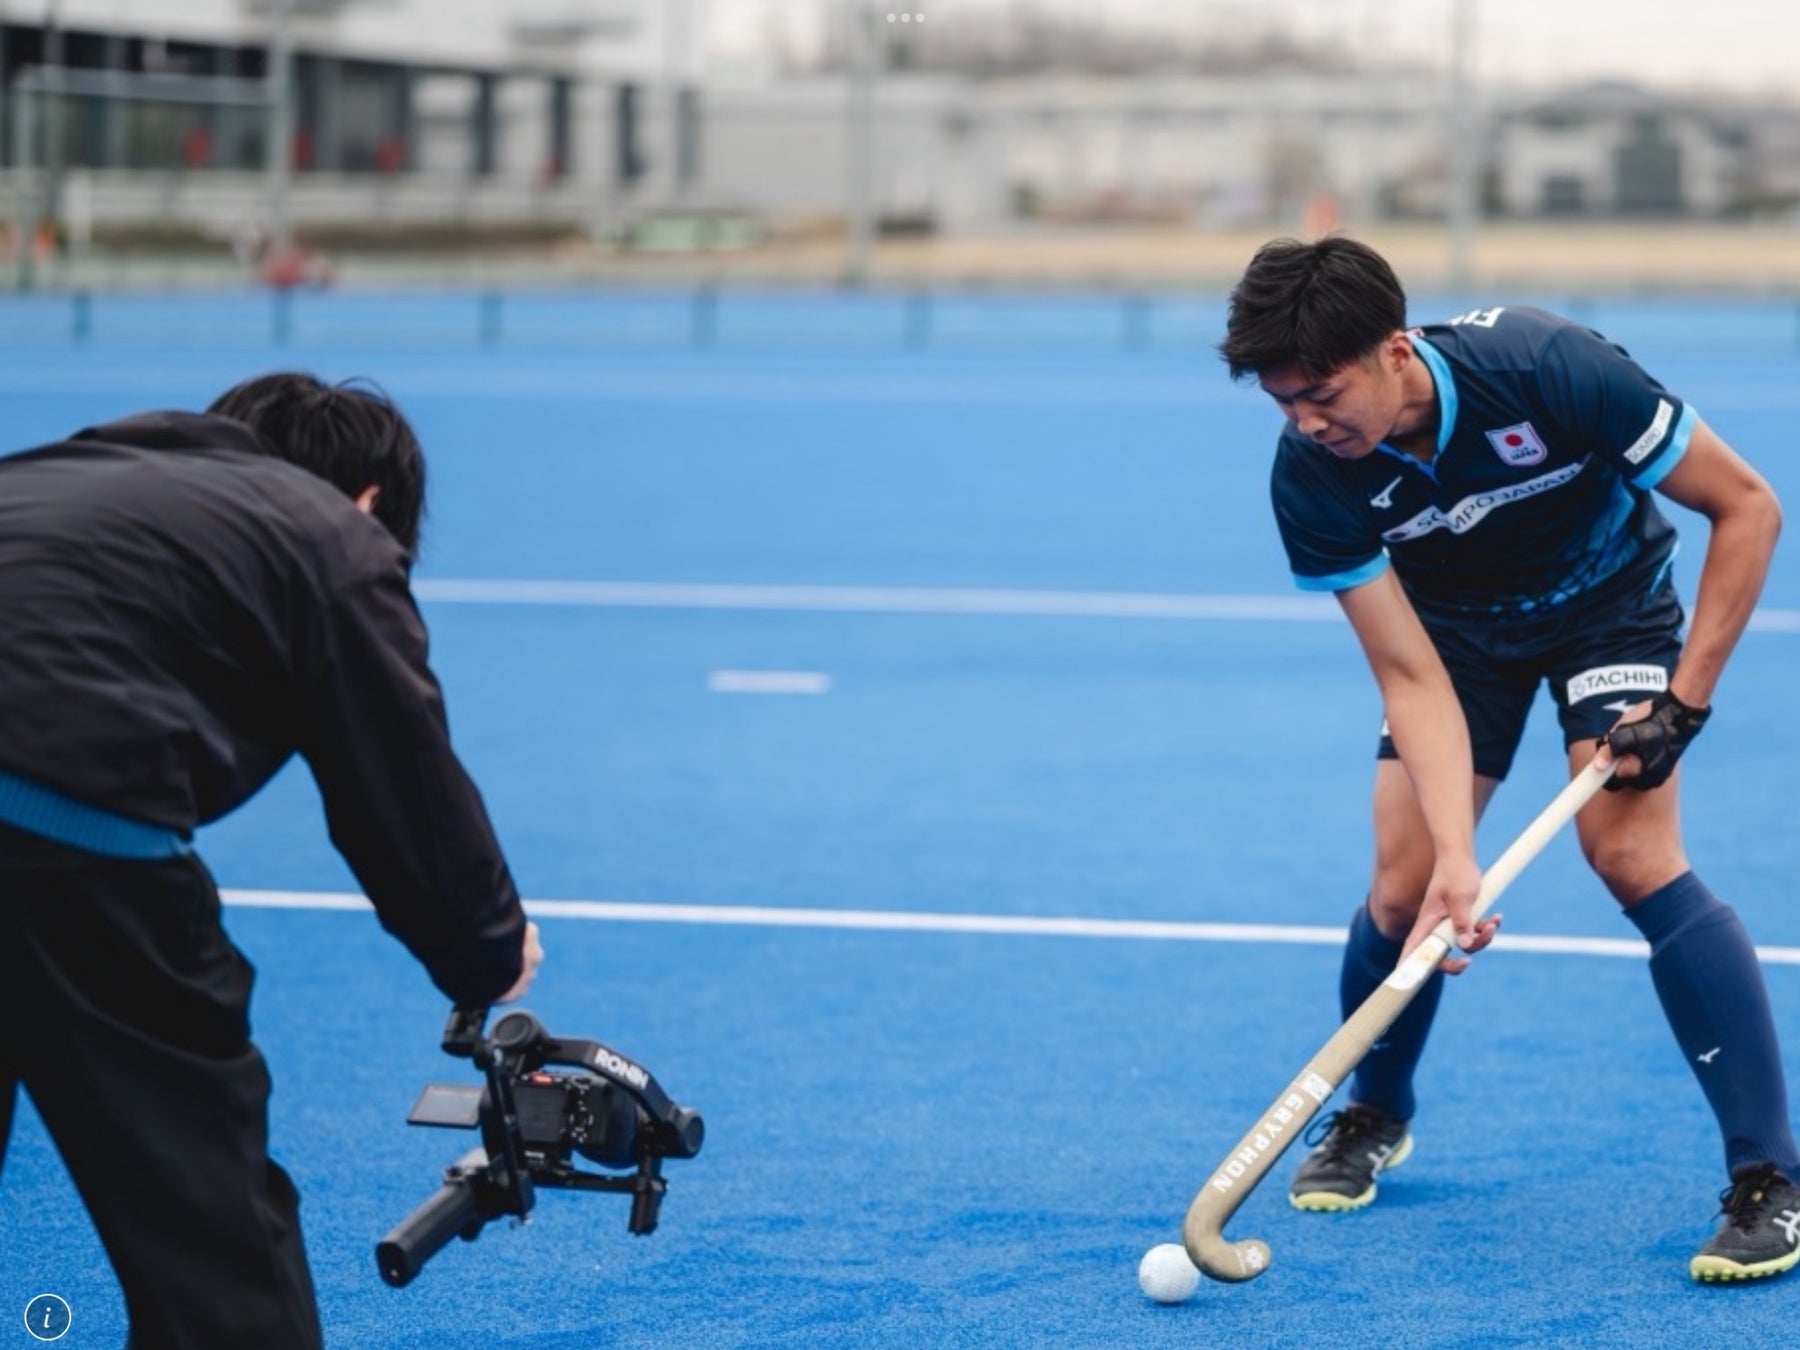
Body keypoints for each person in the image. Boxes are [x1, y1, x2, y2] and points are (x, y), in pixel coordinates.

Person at [1219, 235, 1798, 1283]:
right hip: (1455, 648)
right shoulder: (1313, 473)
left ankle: (1772, 1180)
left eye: (1321, 393)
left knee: (1627, 853)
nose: (1305, 421)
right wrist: (1456, 859)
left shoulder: (1545, 367)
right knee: (1402, 890)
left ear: (1395, 350)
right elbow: (1409, 675)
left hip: (1608, 612)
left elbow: (1748, 506)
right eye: (1281, 402)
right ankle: (1374, 1113)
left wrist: (1684, 705)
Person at [0, 373, 545, 1346]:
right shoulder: (325, 532)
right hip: (60, 827)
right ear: (373, 501)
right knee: (213, 1245)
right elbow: (402, 785)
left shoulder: (60, 472)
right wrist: (488, 955)